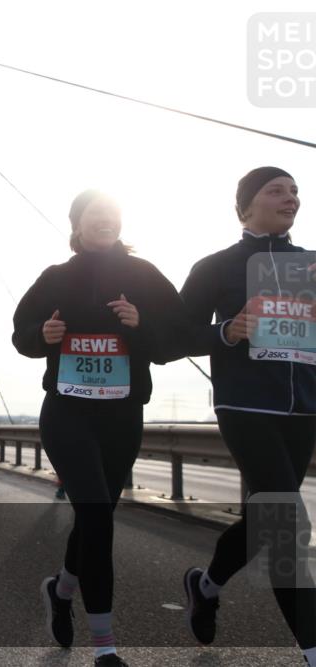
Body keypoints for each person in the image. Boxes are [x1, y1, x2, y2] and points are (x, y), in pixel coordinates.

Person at [11, 189, 185, 667]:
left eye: (112, 214)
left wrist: (139, 324)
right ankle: (105, 646)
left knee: (97, 516)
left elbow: (175, 338)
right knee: (97, 515)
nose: (105, 220)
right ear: (77, 224)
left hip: (121, 414)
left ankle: (62, 591)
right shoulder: (56, 278)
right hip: (67, 412)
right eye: (95, 214)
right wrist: (39, 337)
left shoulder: (144, 275)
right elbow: (21, 333)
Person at [177, 167, 315, 666]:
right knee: (285, 523)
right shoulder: (217, 267)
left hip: (302, 411)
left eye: (295, 190)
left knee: (263, 520)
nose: (291, 198)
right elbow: (173, 338)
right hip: (245, 407)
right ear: (244, 206)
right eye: (276, 190)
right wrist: (225, 332)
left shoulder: (311, 264)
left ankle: (206, 586)